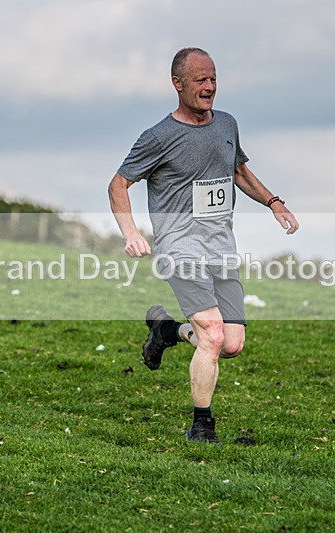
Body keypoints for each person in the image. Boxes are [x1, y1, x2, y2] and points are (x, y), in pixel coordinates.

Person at [108, 47, 298, 445]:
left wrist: (273, 203)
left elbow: (239, 170)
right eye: (200, 80)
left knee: (230, 343)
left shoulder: (227, 124)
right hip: (181, 248)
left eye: (213, 79)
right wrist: (131, 233)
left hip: (220, 248)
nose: (209, 87)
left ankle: (165, 331)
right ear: (178, 84)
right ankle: (201, 426)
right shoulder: (158, 137)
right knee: (211, 334)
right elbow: (118, 184)